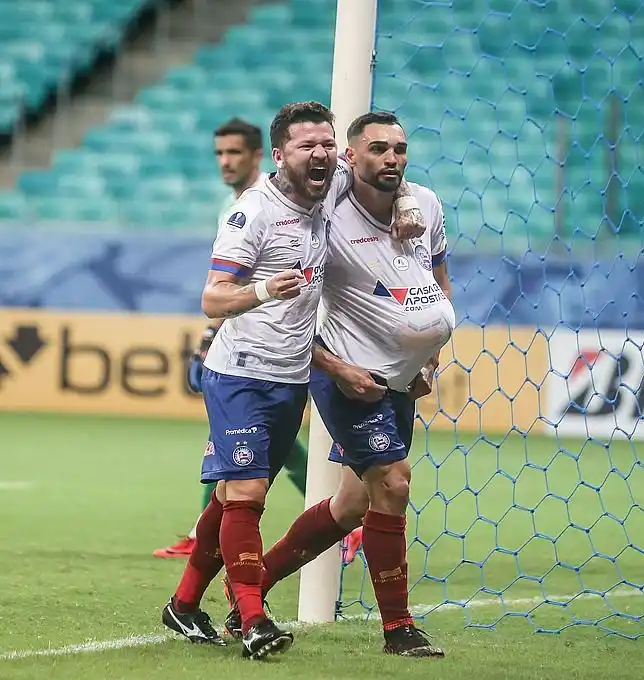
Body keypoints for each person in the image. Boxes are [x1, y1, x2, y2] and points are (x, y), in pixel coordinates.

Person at [160, 101, 426, 660]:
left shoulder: (330, 187)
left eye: (328, 144)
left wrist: (403, 203)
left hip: (292, 376)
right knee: (248, 494)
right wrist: (262, 290)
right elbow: (212, 299)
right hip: (240, 372)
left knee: (231, 496)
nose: (322, 154)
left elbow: (383, 171)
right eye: (308, 146)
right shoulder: (252, 212)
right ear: (279, 156)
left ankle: (183, 604)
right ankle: (253, 619)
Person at [222, 111, 452, 658]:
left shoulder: (425, 205)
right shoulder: (324, 210)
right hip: (349, 376)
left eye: (399, 149)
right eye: (377, 149)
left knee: (351, 505)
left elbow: (438, 279)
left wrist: (430, 355)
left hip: (400, 378)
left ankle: (248, 589)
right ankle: (399, 629)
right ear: (351, 157)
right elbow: (294, 309)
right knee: (394, 483)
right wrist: (336, 368)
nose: (391, 158)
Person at [154, 117, 311, 560]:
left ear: (259, 155)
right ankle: (202, 534)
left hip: (280, 343)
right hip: (242, 342)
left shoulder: (271, 202)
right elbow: (228, 285)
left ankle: (340, 514)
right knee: (239, 440)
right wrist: (212, 332)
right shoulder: (232, 205)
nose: (225, 161)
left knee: (250, 443)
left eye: (234, 152)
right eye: (220, 153)